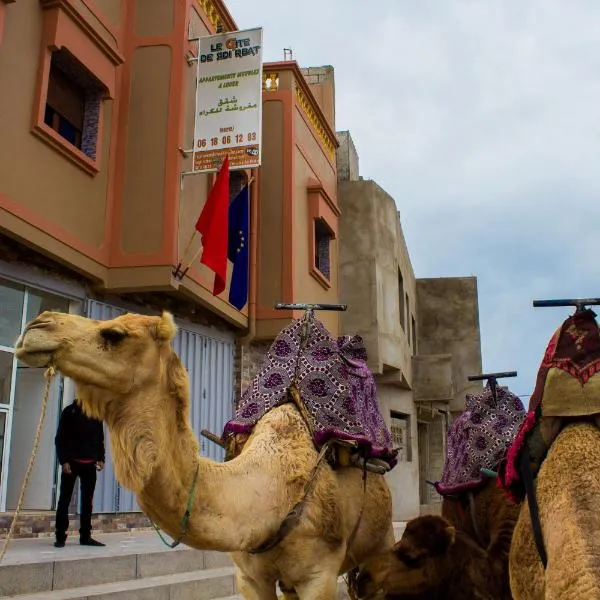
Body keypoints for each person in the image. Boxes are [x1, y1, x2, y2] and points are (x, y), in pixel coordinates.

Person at [54, 399, 106, 548]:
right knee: (64, 499)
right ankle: (60, 536)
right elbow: (60, 439)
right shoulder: (69, 412)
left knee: (87, 503)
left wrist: (101, 458)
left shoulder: (96, 413)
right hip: (71, 463)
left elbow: (100, 438)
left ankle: (85, 537)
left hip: (90, 465)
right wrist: (63, 460)